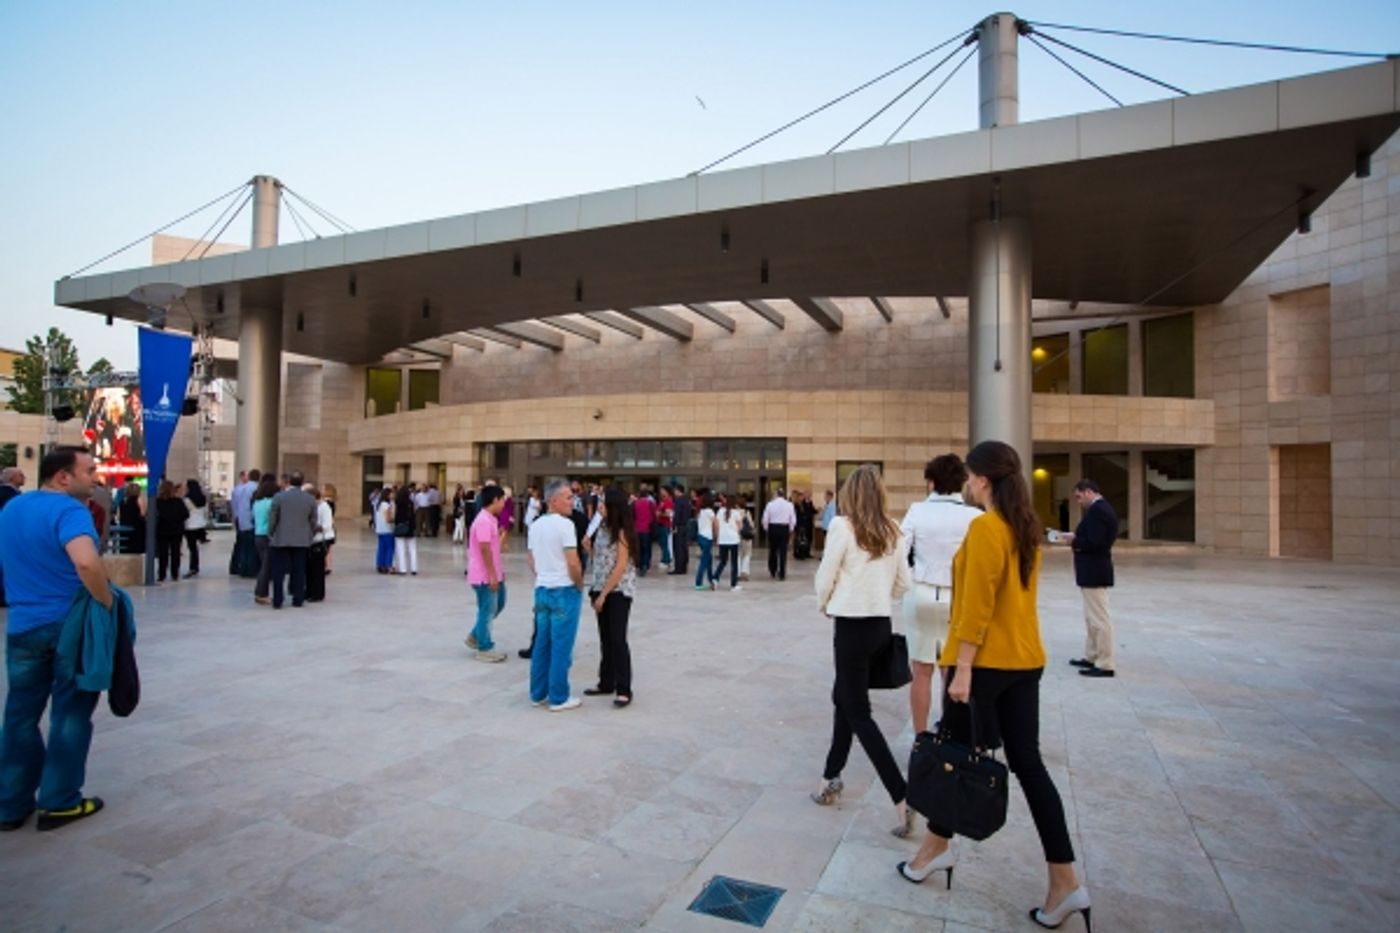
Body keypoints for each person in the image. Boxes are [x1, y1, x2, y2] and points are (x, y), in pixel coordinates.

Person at [899, 441, 1090, 933]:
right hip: (1025, 660)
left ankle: (934, 853)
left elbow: (977, 606)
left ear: (981, 479)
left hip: (983, 666)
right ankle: (1063, 878)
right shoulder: (1024, 529)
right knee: (1026, 765)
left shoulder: (987, 528)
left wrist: (962, 668)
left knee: (953, 756)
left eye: (969, 475)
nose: (966, 483)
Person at [0, 447, 113, 832]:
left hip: (22, 626)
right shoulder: (69, 511)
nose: (95, 477)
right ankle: (60, 800)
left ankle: (11, 803)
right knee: (70, 713)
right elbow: (85, 561)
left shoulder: (12, 509)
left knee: (19, 714)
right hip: (67, 625)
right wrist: (106, 599)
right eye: (90, 470)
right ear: (63, 477)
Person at [812, 464, 913, 837]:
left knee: (858, 712)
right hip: (880, 625)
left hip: (851, 627)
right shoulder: (893, 529)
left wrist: (825, 602)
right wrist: (879, 596)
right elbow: (905, 582)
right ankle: (829, 778)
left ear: (850, 494)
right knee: (844, 697)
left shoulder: (843, 526)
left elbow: (826, 573)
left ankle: (901, 796)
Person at [900, 454, 979, 734]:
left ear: (931, 482)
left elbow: (899, 549)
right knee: (951, 670)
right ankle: (952, 734)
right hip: (957, 597)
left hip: (921, 591)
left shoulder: (917, 511)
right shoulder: (975, 517)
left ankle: (921, 737)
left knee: (921, 671)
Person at [528, 480, 585, 711]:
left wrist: (544, 574)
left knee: (542, 643)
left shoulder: (536, 525)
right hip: (563, 589)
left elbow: (531, 559)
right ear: (553, 501)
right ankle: (559, 697)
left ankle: (538, 692)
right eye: (568, 497)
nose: (573, 501)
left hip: (542, 589)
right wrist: (579, 584)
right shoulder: (565, 525)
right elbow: (573, 561)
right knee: (561, 645)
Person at [584, 486, 637, 707]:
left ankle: (624, 688)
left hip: (617, 591)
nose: (599, 508)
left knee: (617, 640)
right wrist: (589, 549)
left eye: (604, 504)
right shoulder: (603, 529)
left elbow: (620, 566)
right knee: (605, 639)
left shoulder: (623, 532)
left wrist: (604, 595)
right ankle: (606, 681)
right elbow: (602, 560)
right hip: (599, 587)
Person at [1062, 479, 1119, 679]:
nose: (1078, 501)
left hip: (1095, 569)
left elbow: (1096, 542)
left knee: (1099, 618)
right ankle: (1093, 655)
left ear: (1088, 492)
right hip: (1092, 570)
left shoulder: (1098, 511)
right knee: (1091, 617)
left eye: (1078, 496)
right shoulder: (1100, 510)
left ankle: (1105, 663)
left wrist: (1074, 540)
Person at [466, 484, 509, 662]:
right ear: (495, 500)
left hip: (494, 573)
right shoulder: (483, 520)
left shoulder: (490, 519)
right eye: (502, 501)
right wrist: (492, 575)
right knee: (487, 610)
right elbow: (484, 550)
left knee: (497, 605)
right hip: (484, 575)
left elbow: (491, 547)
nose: (504, 505)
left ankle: (476, 635)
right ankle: (484, 647)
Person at [267, 471, 318, 608]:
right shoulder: (309, 499)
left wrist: (270, 532)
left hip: (281, 538)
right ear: (302, 482)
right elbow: (313, 520)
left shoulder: (279, 497)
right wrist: (310, 534)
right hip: (301, 540)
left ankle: (278, 600)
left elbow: (273, 518)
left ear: (288, 481)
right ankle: (298, 599)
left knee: (279, 571)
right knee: (299, 569)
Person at [154, 481, 190, 583]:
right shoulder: (178, 501)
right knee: (175, 552)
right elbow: (186, 514)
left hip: (162, 530)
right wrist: (177, 520)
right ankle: (175, 573)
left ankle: (161, 574)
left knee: (163, 553)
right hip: (176, 530)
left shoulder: (158, 502)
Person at [251, 474, 279, 604]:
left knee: (263, 565)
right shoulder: (270, 503)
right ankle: (262, 593)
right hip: (267, 536)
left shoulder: (257, 503)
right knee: (266, 567)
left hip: (258, 535)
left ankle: (259, 591)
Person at [228, 468, 260, 577]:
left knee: (242, 545)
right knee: (251, 547)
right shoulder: (256, 488)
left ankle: (242, 568)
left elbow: (234, 504)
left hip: (241, 519)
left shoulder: (239, 489)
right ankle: (250, 570)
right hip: (251, 520)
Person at [761, 488, 795, 580]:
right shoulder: (789, 505)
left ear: (776, 495)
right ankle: (782, 573)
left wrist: (767, 528)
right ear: (783, 495)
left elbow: (765, 518)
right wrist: (791, 529)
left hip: (773, 528)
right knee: (783, 552)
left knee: (773, 550)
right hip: (784, 528)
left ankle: (773, 570)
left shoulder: (770, 504)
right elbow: (793, 519)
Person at [305, 485, 332, 603]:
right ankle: (309, 591)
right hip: (310, 540)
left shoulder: (324, 507)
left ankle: (317, 593)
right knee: (309, 569)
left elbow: (327, 525)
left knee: (317, 569)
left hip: (320, 540)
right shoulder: (312, 507)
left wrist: (314, 528)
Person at [712, 496, 743, 591]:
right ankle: (733, 584)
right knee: (734, 563)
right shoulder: (736, 513)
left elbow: (716, 525)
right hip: (733, 539)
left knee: (723, 561)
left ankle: (715, 578)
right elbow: (740, 526)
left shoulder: (720, 512)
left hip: (723, 539)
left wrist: (717, 537)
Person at [182, 478, 208, 578]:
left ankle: (193, 567)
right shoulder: (203, 498)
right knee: (195, 548)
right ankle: (195, 566)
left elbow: (185, 512)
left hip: (190, 525)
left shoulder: (187, 499)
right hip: (200, 524)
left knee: (192, 548)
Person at [692, 492, 718, 591]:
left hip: (701, 537)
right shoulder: (709, 512)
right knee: (704, 561)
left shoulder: (700, 512)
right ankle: (698, 583)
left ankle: (711, 579)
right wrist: (716, 536)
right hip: (707, 538)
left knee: (708, 559)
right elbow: (715, 523)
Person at [393, 485, 419, 575]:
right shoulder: (410, 503)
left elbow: (397, 517)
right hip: (410, 527)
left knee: (401, 549)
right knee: (412, 549)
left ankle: (402, 569)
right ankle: (414, 569)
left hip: (401, 527)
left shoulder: (398, 503)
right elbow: (413, 516)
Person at [668, 483, 692, 576]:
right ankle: (684, 567)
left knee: (678, 548)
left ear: (678, 491)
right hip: (685, 526)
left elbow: (676, 515)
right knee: (684, 547)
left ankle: (679, 568)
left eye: (675, 490)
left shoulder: (678, 501)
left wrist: (674, 526)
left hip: (679, 526)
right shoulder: (686, 500)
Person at [632, 485, 655, 577]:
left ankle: (640, 565)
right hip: (647, 528)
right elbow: (653, 515)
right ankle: (646, 564)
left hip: (637, 528)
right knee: (647, 548)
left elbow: (632, 516)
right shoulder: (650, 504)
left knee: (639, 548)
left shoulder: (635, 503)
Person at [117, 482, 146, 555]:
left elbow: (119, 516)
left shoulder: (123, 501)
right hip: (136, 530)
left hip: (124, 529)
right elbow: (142, 513)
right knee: (135, 553)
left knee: (125, 551)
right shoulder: (138, 500)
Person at [374, 485, 395, 573]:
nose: (393, 495)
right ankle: (388, 565)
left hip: (380, 529)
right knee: (390, 548)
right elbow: (388, 519)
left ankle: (380, 564)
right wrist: (394, 519)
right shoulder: (386, 505)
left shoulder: (378, 504)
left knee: (381, 548)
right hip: (387, 530)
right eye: (391, 494)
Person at [735, 495, 755, 581]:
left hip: (737, 535)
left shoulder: (734, 512)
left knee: (738, 554)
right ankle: (745, 572)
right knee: (747, 554)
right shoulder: (747, 512)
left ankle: (738, 573)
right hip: (746, 536)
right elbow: (751, 524)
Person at [794, 490, 817, 560]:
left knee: (808, 539)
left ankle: (807, 553)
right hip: (801, 524)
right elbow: (799, 514)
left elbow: (812, 511)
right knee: (800, 539)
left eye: (810, 494)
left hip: (808, 524)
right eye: (808, 494)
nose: (809, 496)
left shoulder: (810, 502)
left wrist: (817, 511)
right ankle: (799, 553)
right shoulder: (798, 504)